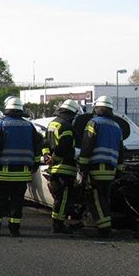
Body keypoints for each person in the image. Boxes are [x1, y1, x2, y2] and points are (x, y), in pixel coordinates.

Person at [0, 97, 43, 237]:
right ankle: (14, 229)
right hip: (23, 173)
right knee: (17, 202)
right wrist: (34, 165)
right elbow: (37, 148)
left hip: (4, 173)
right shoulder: (29, 126)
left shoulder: (2, 125)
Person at [78, 96, 124, 238]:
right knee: (104, 198)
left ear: (97, 108)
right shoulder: (117, 126)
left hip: (96, 167)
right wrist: (120, 169)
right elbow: (121, 150)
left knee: (95, 198)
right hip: (111, 170)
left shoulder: (93, 123)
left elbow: (87, 145)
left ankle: (105, 229)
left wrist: (83, 166)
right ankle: (105, 224)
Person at [44, 99, 80, 234]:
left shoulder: (52, 123)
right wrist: (55, 159)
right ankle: (57, 225)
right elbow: (64, 147)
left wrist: (47, 156)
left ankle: (57, 223)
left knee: (59, 199)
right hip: (64, 168)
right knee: (63, 199)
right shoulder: (66, 126)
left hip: (54, 169)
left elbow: (45, 143)